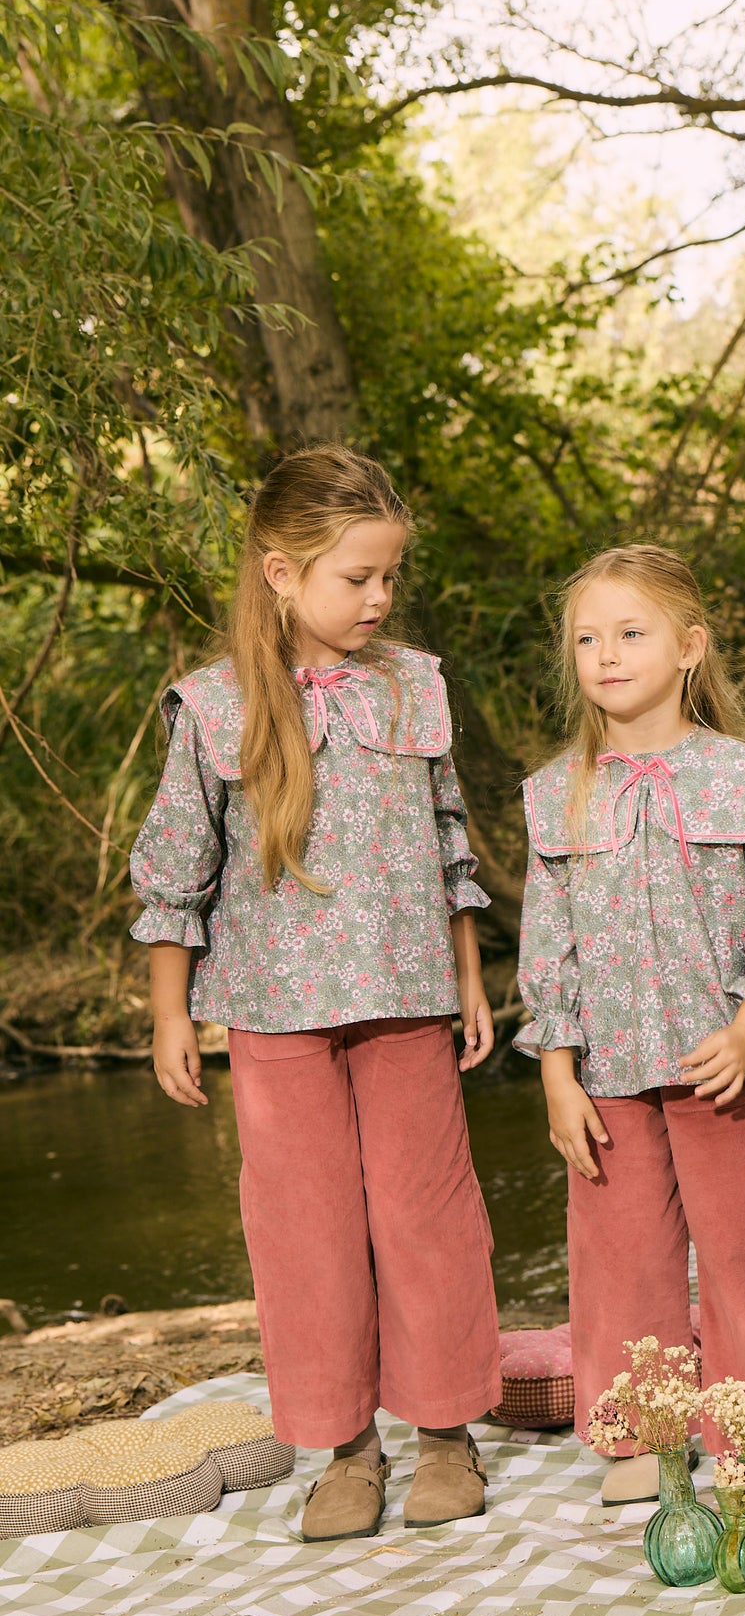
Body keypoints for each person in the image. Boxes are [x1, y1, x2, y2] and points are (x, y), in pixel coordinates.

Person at [130, 448, 502, 1541]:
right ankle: (344, 1449)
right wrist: (169, 1012)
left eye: (391, 576)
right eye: (358, 579)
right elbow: (174, 866)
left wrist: (468, 973)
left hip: (403, 995)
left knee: (425, 1217)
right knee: (306, 1231)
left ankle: (443, 1432)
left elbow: (448, 842)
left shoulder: (412, 684)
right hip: (272, 1011)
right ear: (282, 571)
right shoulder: (211, 707)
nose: (379, 599)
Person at [515, 543, 745, 1505]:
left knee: (741, 1252)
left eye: (630, 633)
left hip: (719, 1064)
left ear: (689, 646)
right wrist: (557, 1070)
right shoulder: (553, 793)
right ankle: (646, 1440)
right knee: (622, 1259)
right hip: (605, 1069)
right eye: (586, 639)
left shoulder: (739, 778)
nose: (605, 654)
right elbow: (549, 943)